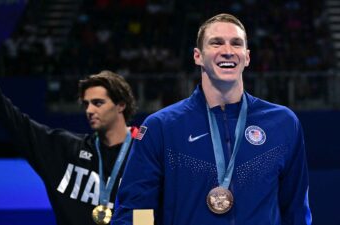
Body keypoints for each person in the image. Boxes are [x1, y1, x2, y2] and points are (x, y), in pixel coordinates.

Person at [112, 13, 312, 225]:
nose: (227, 51)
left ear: (247, 57)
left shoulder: (282, 123)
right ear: (198, 56)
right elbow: (137, 210)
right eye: (216, 43)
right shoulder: (161, 127)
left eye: (236, 44)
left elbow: (296, 209)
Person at [0, 27, 138, 225]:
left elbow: (155, 209)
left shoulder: (144, 154)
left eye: (98, 103)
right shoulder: (65, 149)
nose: (89, 110)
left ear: (120, 105)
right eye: (86, 104)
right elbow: (17, 123)